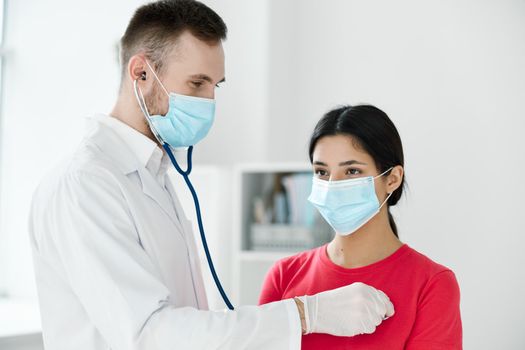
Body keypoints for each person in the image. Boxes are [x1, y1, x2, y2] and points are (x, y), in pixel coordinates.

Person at [28, 2, 394, 349]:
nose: (208, 103)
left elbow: (184, 322)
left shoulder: (152, 175)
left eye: (214, 86)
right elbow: (148, 335)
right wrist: (304, 314)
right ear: (141, 73)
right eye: (196, 84)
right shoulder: (85, 185)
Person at [259, 105, 463, 349]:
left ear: (392, 179)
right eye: (322, 171)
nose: (333, 185)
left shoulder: (431, 284)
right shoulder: (284, 276)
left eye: (352, 171)